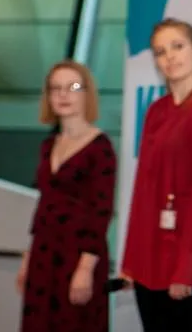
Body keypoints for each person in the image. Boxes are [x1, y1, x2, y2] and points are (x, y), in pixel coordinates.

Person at [120, 18, 192, 332]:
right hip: (149, 255)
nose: (169, 57)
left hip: (184, 258)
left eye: (177, 46)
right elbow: (143, 192)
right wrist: (131, 261)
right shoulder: (156, 110)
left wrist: (188, 268)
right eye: (160, 51)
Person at [17, 60, 117, 332]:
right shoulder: (48, 145)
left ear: (87, 94)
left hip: (79, 256)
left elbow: (102, 211)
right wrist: (28, 256)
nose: (63, 94)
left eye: (72, 87)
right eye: (55, 88)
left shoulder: (101, 147)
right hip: (44, 252)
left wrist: (85, 268)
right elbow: (44, 204)